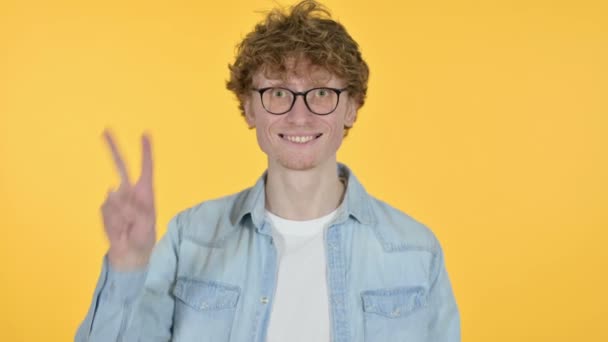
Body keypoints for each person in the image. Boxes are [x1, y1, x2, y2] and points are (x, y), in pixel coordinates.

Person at [75, 1, 460, 341]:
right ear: (249, 108)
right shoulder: (189, 238)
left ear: (352, 107)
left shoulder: (415, 251)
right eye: (278, 92)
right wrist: (127, 264)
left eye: (322, 92)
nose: (299, 115)